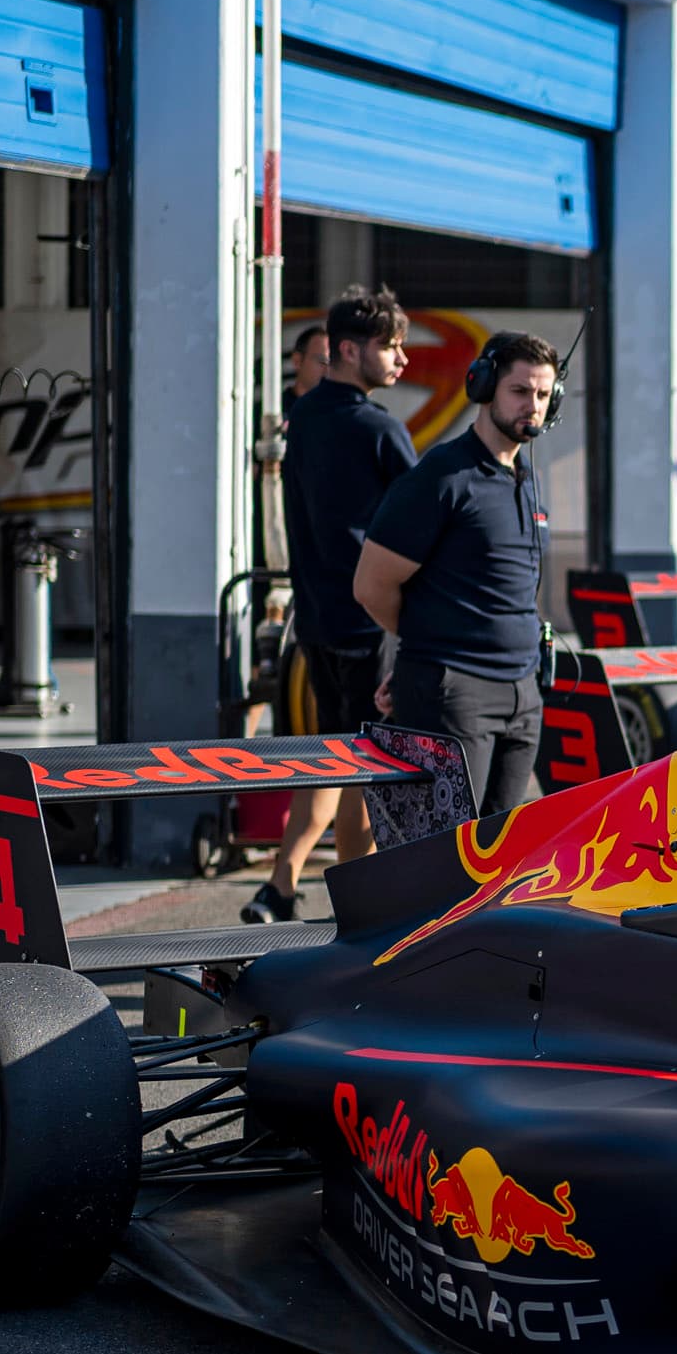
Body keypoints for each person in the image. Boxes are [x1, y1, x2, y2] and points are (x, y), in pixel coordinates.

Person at [249, 287, 416, 922]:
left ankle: (282, 884)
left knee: (329, 756)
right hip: (371, 621)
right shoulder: (378, 429)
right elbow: (424, 521)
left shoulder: (305, 416)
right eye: (389, 346)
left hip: (314, 619)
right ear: (349, 350)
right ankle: (357, 910)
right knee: (367, 768)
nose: (402, 358)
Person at [354, 332, 562, 820]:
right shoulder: (443, 477)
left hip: (523, 696)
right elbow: (370, 586)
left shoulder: (524, 480)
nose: (532, 406)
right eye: (519, 390)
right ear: (484, 385)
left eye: (542, 395)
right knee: (449, 854)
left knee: (503, 855)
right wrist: (422, 657)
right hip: (455, 694)